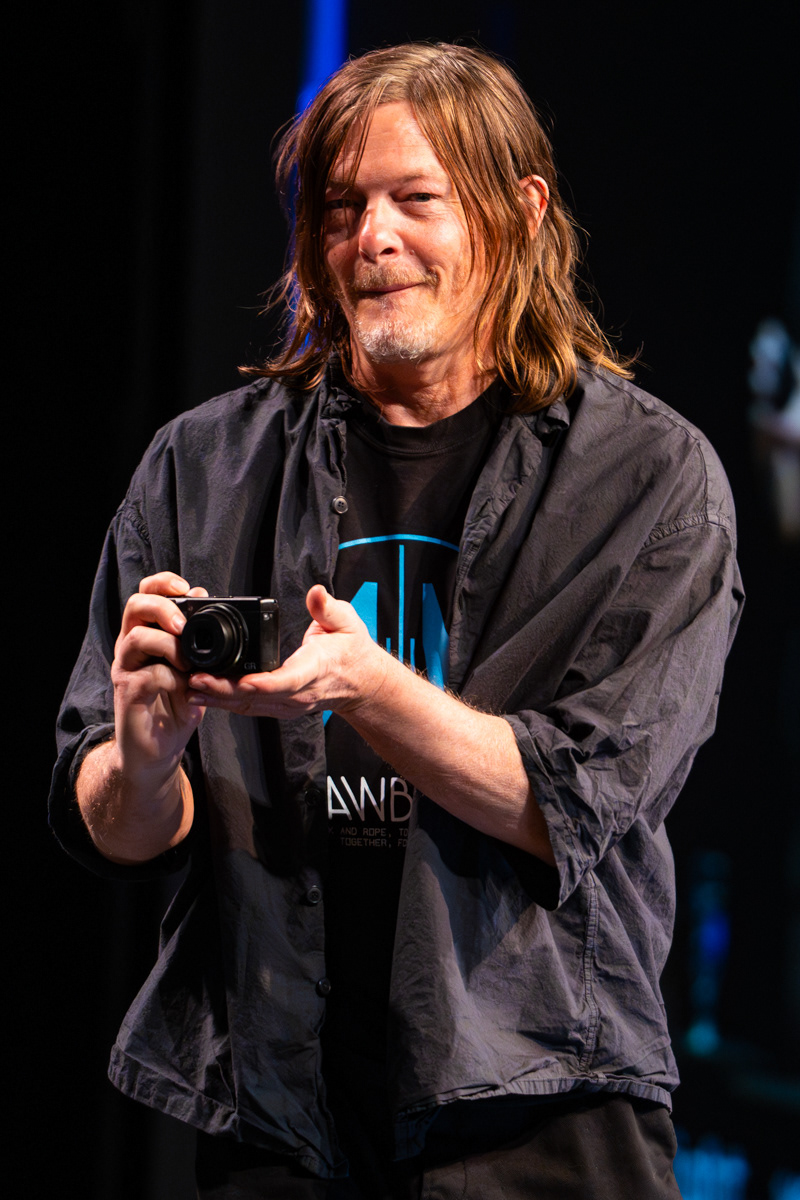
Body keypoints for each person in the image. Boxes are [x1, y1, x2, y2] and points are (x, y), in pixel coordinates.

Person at [50, 42, 743, 1199]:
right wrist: (144, 753)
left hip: (539, 1102)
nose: (370, 238)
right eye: (340, 208)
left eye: (415, 199)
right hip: (277, 1107)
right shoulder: (201, 468)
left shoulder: (644, 481)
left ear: (519, 213)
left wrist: (369, 689)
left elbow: (566, 803)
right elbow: (115, 830)